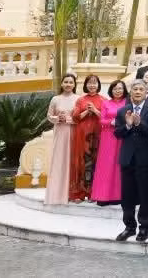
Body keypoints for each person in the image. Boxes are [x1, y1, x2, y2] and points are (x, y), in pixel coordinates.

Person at [114, 80, 148, 242]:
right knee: (127, 196)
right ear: (130, 92)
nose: (138, 92)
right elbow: (117, 134)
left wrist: (139, 124)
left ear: (146, 92)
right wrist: (126, 126)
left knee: (146, 195)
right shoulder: (122, 111)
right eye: (135, 89)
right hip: (127, 159)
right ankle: (129, 227)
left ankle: (145, 227)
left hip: (146, 160)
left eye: (141, 89)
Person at [91, 80, 128, 205]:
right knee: (105, 166)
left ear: (124, 90)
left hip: (122, 136)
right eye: (115, 89)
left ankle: (117, 196)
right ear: (111, 90)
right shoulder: (106, 103)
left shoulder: (127, 103)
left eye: (120, 88)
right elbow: (102, 120)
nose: (118, 91)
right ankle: (102, 196)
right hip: (108, 136)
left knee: (118, 165)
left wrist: (119, 123)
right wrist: (111, 122)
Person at [45, 74, 79, 205]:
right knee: (59, 160)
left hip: (73, 132)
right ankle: (56, 194)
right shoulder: (55, 99)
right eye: (66, 82)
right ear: (62, 84)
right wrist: (58, 119)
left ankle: (72, 193)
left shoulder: (78, 99)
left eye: (71, 82)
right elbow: (49, 116)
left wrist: (69, 119)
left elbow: (80, 117)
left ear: (74, 85)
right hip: (59, 132)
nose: (68, 84)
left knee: (72, 160)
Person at [70, 75, 105, 202]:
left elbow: (106, 118)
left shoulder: (103, 100)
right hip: (82, 134)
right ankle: (79, 193)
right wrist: (86, 112)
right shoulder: (81, 100)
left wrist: (95, 110)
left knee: (95, 162)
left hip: (97, 134)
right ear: (86, 85)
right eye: (89, 83)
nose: (92, 85)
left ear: (98, 85)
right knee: (81, 162)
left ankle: (92, 193)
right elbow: (75, 117)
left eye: (95, 83)